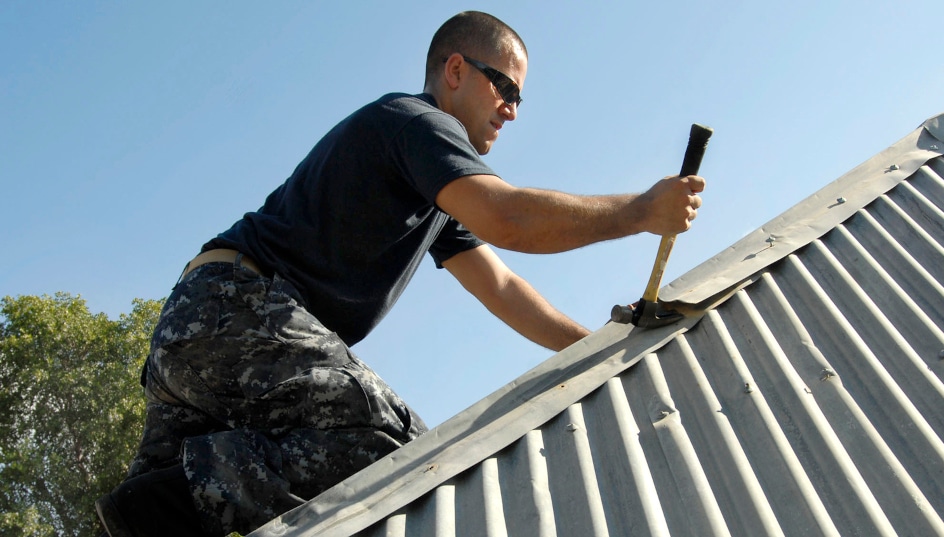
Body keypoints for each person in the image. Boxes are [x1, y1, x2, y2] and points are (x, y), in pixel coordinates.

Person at [96, 10, 705, 537]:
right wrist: (641, 211)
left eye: (520, 99)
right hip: (238, 313)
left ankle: (165, 500)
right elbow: (509, 218)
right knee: (395, 448)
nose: (513, 111)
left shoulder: (433, 191)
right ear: (457, 70)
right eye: (506, 89)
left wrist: (593, 345)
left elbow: (500, 285)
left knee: (160, 518)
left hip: (196, 334)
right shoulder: (418, 123)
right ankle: (172, 495)